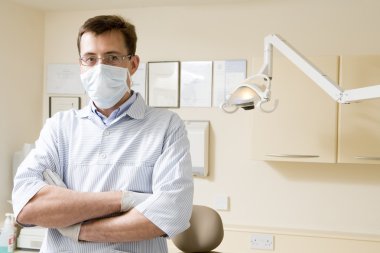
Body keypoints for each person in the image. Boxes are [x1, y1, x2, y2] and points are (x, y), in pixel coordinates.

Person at [12, 15, 193, 253]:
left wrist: (77, 229)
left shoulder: (166, 126)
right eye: (90, 59)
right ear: (80, 65)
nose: (100, 67)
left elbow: (171, 214)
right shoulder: (59, 127)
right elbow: (27, 208)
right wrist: (125, 199)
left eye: (112, 58)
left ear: (133, 64)